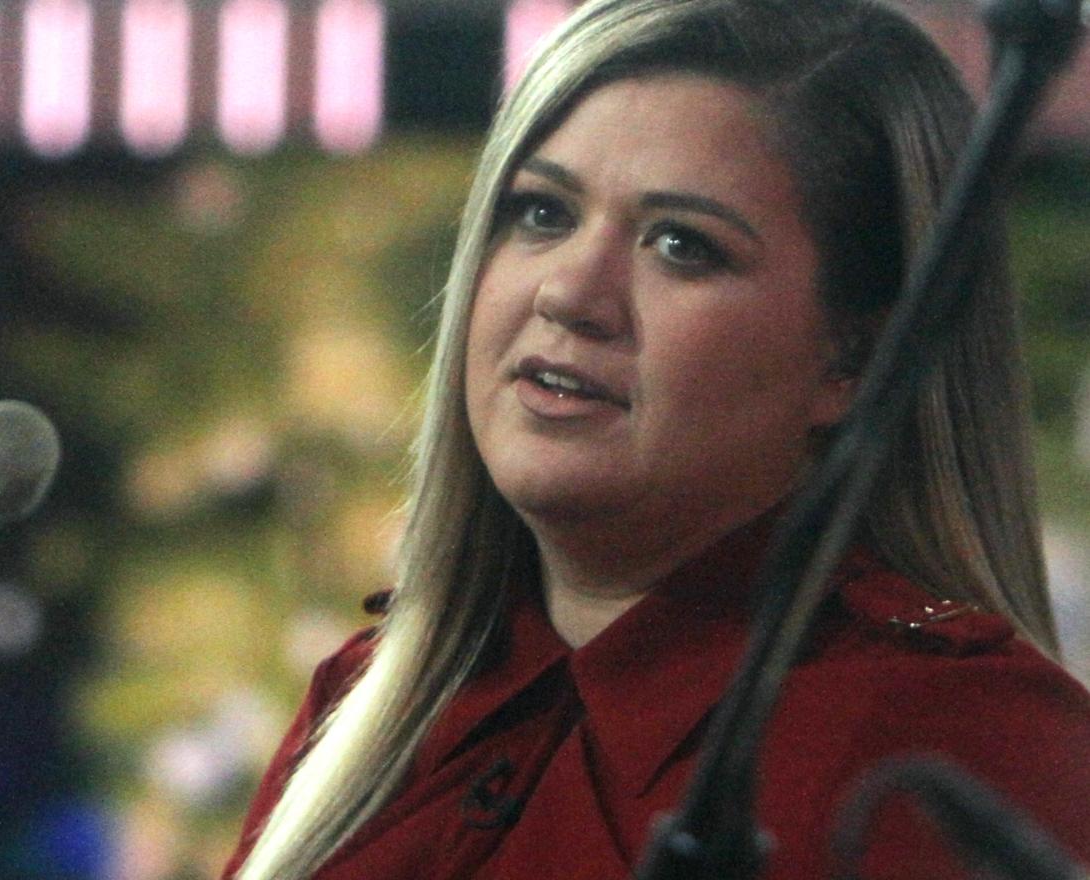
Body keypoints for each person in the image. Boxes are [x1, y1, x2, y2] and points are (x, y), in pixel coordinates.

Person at [221, 1, 1090, 878]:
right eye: (542, 213)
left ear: (853, 361)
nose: (570, 292)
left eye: (681, 245)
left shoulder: (973, 741)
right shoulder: (368, 703)